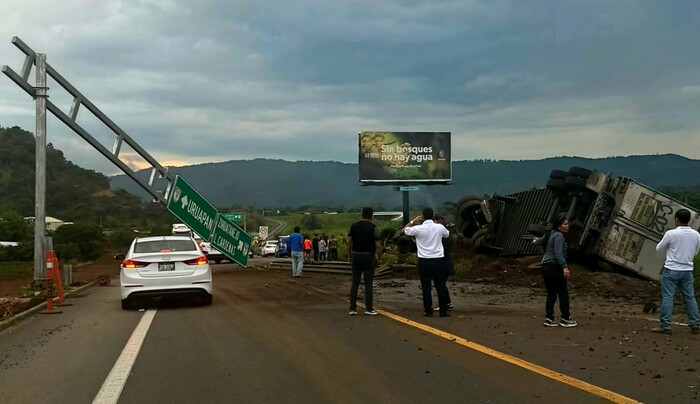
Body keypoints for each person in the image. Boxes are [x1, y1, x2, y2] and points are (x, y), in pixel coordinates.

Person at [651, 208, 700, 334]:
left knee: (668, 297)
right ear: (688, 220)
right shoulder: (696, 235)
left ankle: (665, 326)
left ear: (676, 219)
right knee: (689, 297)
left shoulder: (671, 234)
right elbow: (696, 252)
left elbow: (659, 249)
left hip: (671, 269)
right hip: (687, 270)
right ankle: (695, 325)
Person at [402, 207, 450, 317]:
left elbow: (405, 230)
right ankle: (443, 311)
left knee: (426, 287)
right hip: (438, 260)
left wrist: (413, 221)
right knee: (441, 285)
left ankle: (428, 310)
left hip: (424, 261)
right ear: (433, 215)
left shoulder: (418, 228)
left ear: (422, 217)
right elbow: (447, 234)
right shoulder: (439, 228)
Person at [537, 215, 577, 327]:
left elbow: (537, 242)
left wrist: (545, 254)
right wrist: (564, 267)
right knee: (563, 293)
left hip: (545, 266)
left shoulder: (550, 234)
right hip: (555, 267)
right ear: (559, 226)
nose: (568, 226)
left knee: (551, 293)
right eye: (565, 224)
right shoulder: (559, 236)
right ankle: (565, 318)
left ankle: (548, 318)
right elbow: (559, 253)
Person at [347, 206, 381, 316]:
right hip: (368, 256)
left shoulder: (354, 226)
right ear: (371, 216)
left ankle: (352, 308)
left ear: (362, 214)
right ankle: (369, 308)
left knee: (355, 283)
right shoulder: (374, 227)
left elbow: (348, 241)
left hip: (356, 256)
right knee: (368, 284)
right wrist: (378, 257)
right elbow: (378, 245)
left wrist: (349, 255)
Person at [435, 215, 456, 311]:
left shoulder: (444, 239)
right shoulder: (447, 236)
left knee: (440, 284)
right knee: (441, 284)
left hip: (443, 263)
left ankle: (444, 304)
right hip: (447, 262)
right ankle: (448, 302)